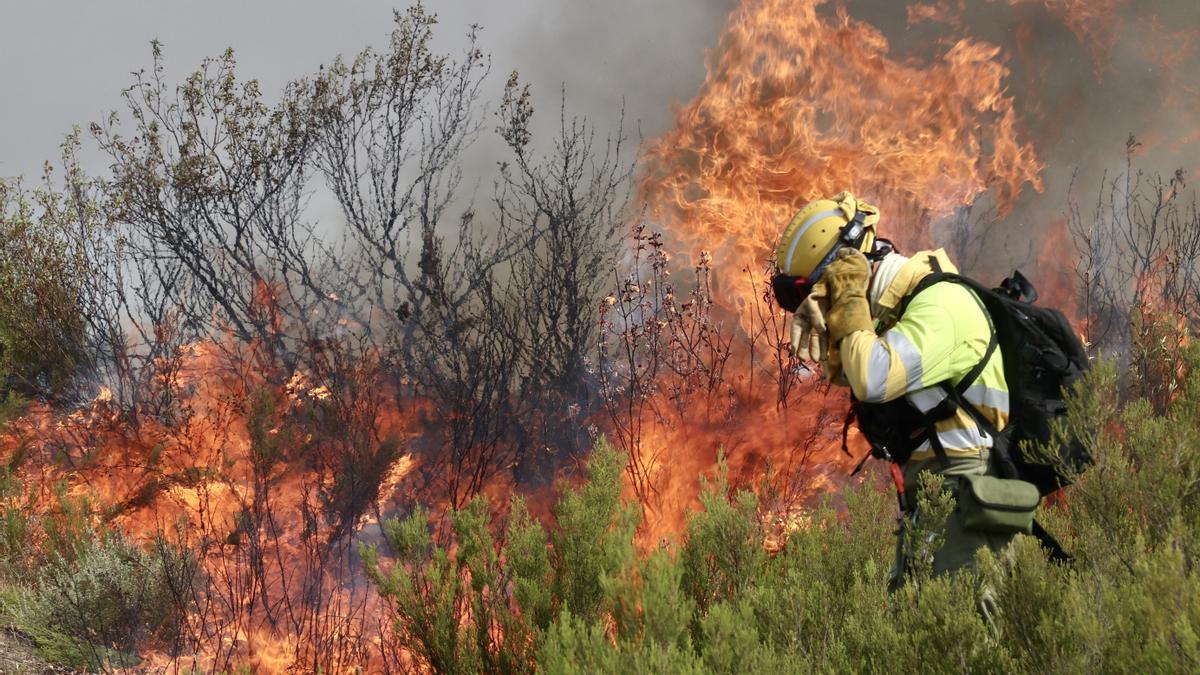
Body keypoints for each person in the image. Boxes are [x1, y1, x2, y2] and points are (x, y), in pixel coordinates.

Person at [773, 191, 1016, 586]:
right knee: (914, 628)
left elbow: (873, 377)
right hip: (933, 488)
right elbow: (856, 372)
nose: (819, 305)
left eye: (818, 290)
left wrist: (849, 296)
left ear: (851, 267)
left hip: (968, 484)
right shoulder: (894, 316)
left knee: (962, 634)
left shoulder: (943, 303)